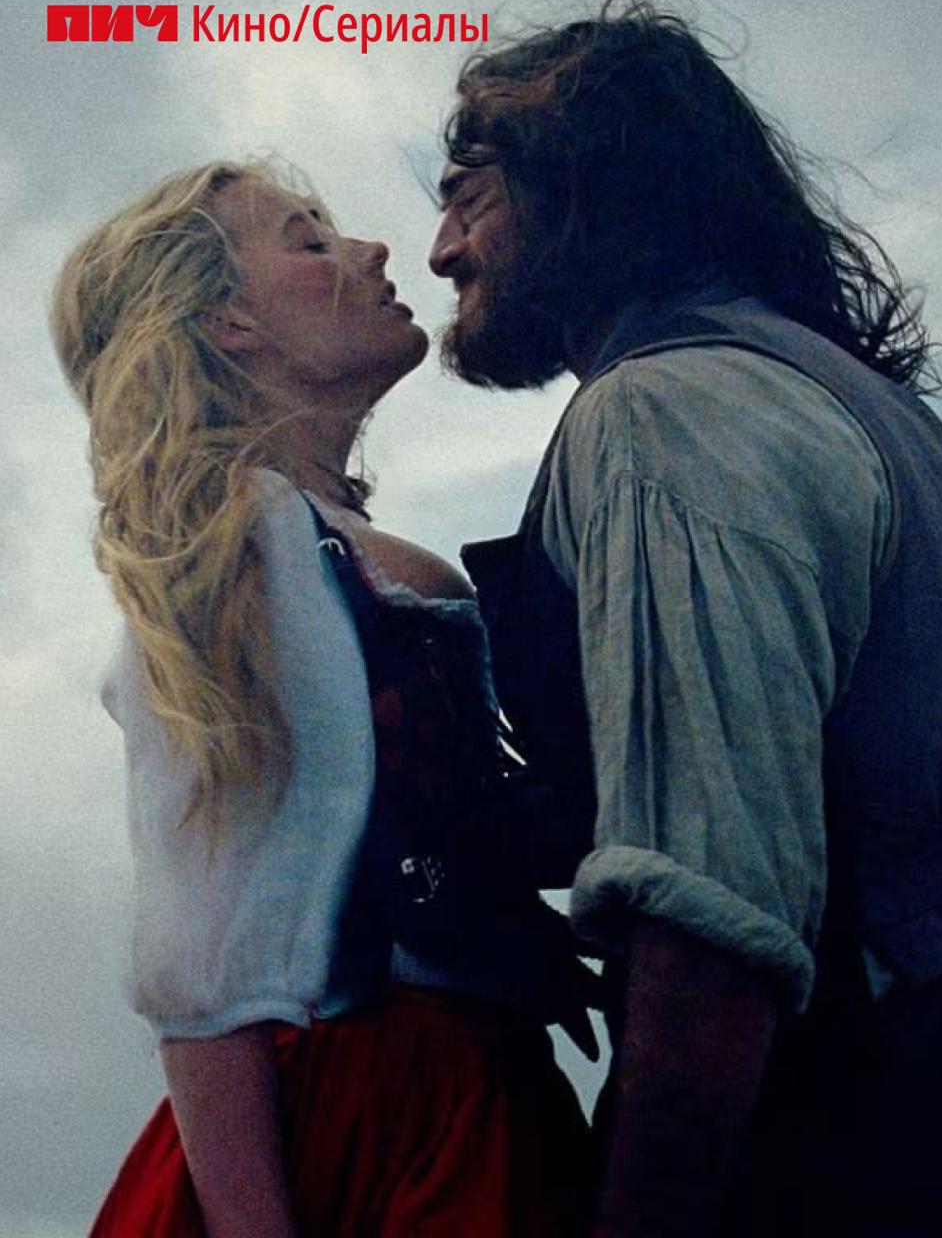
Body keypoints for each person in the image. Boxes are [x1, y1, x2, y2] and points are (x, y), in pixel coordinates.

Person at [428, 0, 942, 1238]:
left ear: (586, 185)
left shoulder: (662, 414)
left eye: (468, 195)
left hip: (809, 1169)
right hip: (936, 1138)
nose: (440, 251)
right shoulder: (861, 405)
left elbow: (712, 922)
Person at [53, 159, 593, 1238]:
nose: (374, 250)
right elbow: (202, 963)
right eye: (310, 240)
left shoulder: (329, 551)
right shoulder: (240, 552)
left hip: (468, 1092)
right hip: (365, 1122)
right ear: (231, 325)